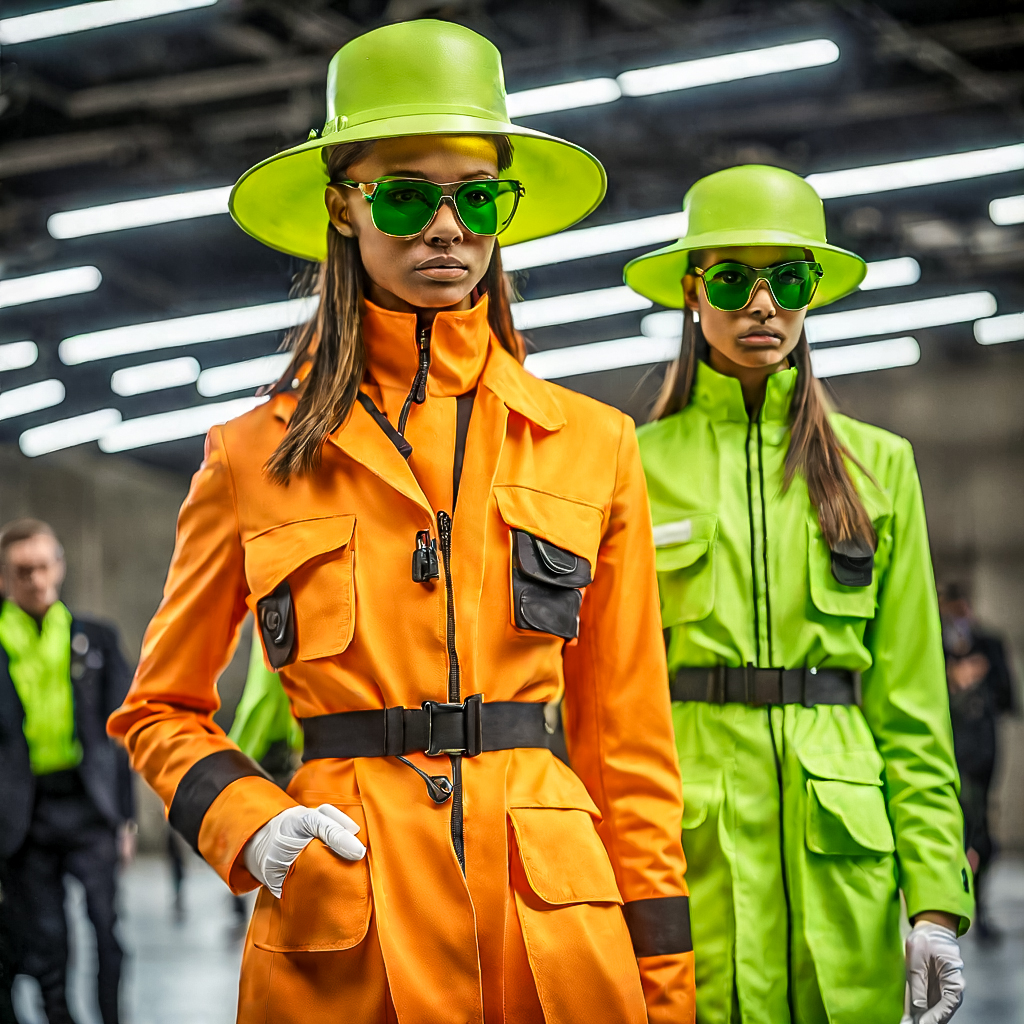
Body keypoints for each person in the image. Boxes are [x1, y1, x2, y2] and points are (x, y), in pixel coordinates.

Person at [109, 20, 695, 1024]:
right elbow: (158, 707)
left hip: (550, 934)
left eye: (478, 196)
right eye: (407, 195)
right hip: (346, 913)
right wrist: (251, 824)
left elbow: (629, 746)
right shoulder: (250, 456)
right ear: (343, 206)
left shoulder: (592, 447)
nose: (448, 227)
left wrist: (666, 990)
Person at [625, 165, 973, 1024]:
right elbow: (608, 697)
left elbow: (912, 706)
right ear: (692, 290)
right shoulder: (631, 466)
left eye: (787, 281)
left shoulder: (877, 467)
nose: (762, 306)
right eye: (733, 282)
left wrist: (935, 899)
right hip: (692, 849)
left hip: (842, 856)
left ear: (811, 292)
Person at [0, 518, 134, 1024]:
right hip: (24, 815)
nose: (36, 580)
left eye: (43, 566)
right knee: (47, 940)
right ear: (4, 578)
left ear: (59, 566)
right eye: (22, 571)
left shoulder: (96, 638)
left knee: (106, 928)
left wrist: (125, 818)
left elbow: (122, 735)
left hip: (89, 805)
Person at [940, 582, 1016, 939]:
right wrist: (951, 677)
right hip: (945, 751)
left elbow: (1008, 699)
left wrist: (977, 676)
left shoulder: (988, 644)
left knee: (981, 832)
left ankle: (978, 907)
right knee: (948, 830)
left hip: (981, 752)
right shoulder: (934, 644)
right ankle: (945, 907)